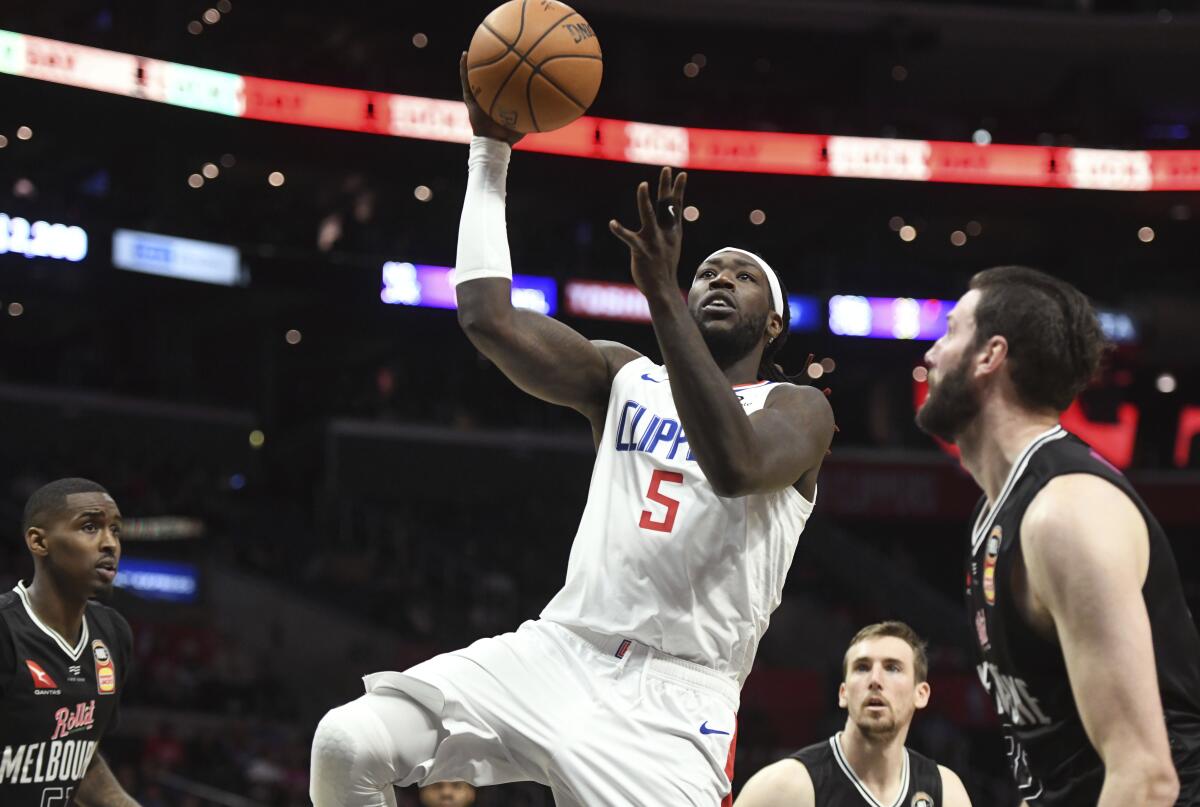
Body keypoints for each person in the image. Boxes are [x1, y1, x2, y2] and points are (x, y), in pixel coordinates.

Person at [308, 55, 836, 807]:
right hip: (559, 648)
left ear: (775, 321)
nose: (717, 277)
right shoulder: (624, 375)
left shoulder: (797, 409)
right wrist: (489, 152)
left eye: (741, 274)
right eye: (707, 269)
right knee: (348, 741)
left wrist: (664, 301)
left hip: (676, 701)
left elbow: (735, 463)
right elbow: (486, 317)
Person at [916, 266, 1200, 806]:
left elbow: (1145, 778)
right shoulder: (996, 513)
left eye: (950, 331)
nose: (931, 352)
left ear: (989, 356)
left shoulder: (1066, 514)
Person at [0, 478, 139, 806]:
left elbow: (79, 759)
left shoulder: (113, 633)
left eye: (115, 530)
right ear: (38, 542)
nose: (110, 544)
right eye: (90, 527)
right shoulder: (5, 630)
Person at [735, 621, 971, 807]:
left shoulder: (945, 791)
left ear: (921, 694)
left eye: (892, 668)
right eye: (862, 667)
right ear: (843, 693)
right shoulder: (787, 786)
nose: (875, 680)